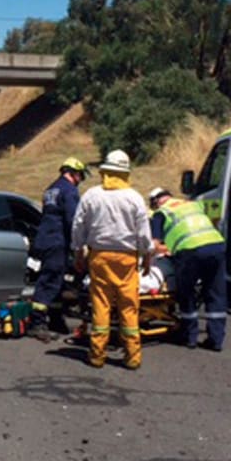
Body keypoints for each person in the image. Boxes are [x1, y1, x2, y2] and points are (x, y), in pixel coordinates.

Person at [70, 150, 153, 370]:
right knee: (128, 307)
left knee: (101, 305)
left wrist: (78, 251)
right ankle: (132, 357)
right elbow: (143, 232)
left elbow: (78, 225)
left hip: (100, 257)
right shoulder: (134, 197)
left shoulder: (91, 195)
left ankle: (97, 356)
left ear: (104, 171)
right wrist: (147, 257)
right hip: (126, 259)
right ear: (126, 173)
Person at [149, 187, 227, 351]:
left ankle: (190, 337)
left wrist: (156, 254)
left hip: (190, 251)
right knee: (215, 292)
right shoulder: (193, 204)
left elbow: (154, 244)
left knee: (187, 292)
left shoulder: (161, 213)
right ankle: (216, 340)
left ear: (155, 202)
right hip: (216, 246)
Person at [28, 157, 88, 342]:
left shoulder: (50, 189)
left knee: (57, 283)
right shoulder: (69, 191)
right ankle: (37, 323)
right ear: (74, 173)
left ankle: (55, 319)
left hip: (45, 240)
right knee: (50, 281)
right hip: (57, 241)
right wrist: (80, 244)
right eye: (80, 176)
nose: (80, 180)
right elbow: (73, 220)